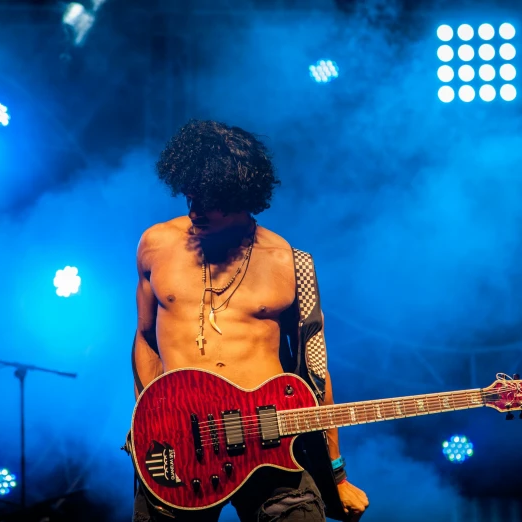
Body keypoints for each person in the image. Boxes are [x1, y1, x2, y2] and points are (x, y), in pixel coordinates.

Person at [131, 120, 369, 522]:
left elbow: (315, 370)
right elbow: (146, 338)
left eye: (210, 197)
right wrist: (148, 419)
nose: (195, 207)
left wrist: (337, 473)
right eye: (190, 191)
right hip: (182, 447)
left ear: (242, 195)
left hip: (270, 442)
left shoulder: (291, 264)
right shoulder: (156, 244)